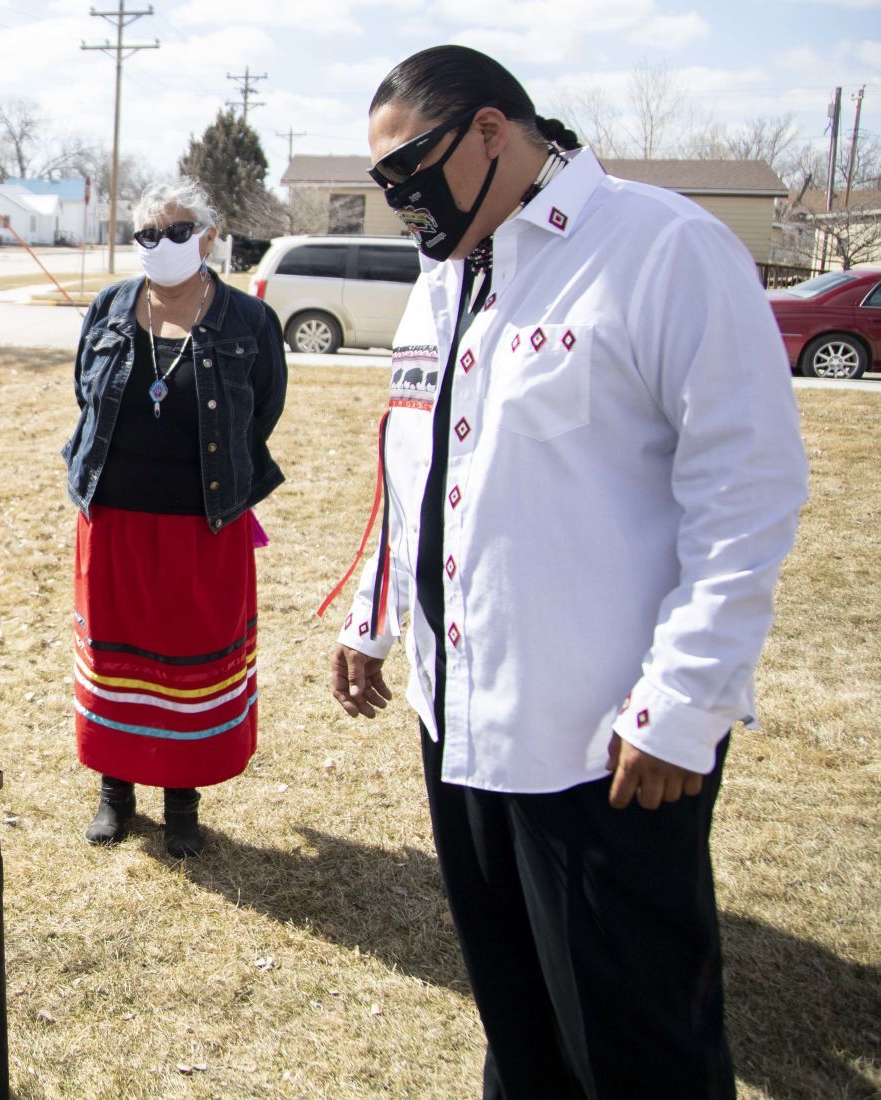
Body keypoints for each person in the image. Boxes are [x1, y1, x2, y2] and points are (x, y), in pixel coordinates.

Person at [328, 45, 809, 1097]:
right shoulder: (445, 275)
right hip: (460, 724)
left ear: (492, 130)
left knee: (636, 1052)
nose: (403, 200)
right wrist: (372, 621)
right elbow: (412, 467)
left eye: (412, 168)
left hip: (605, 745)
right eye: (384, 184)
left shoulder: (659, 246)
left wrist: (682, 704)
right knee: (520, 1032)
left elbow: (746, 489)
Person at [62, 179, 287, 857]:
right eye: (149, 235)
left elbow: (263, 410)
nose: (163, 245)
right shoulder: (107, 308)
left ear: (209, 236)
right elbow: (85, 391)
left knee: (187, 664)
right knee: (114, 661)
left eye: (179, 231)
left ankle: (181, 800)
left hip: (202, 526)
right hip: (114, 523)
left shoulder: (247, 321)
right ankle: (114, 791)